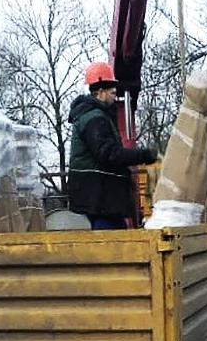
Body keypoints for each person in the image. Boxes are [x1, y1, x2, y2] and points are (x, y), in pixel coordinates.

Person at [67, 61, 157, 230]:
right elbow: (109, 154)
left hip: (101, 201)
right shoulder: (94, 119)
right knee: (111, 246)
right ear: (99, 92)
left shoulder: (94, 116)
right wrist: (144, 155)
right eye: (111, 90)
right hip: (98, 201)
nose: (115, 93)